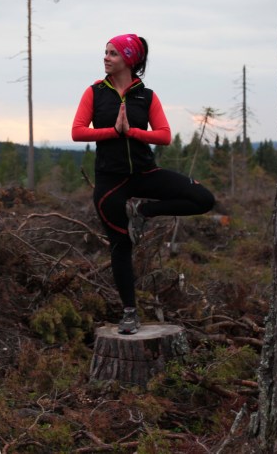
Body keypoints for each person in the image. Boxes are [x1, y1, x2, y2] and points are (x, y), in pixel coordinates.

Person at [71, 34, 216, 334]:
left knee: (203, 198)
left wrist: (132, 132)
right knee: (120, 246)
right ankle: (129, 313)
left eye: (113, 53)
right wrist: (113, 131)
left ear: (128, 59)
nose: (106, 57)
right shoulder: (94, 92)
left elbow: (164, 135)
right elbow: (77, 132)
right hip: (111, 181)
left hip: (146, 173)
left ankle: (143, 211)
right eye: (105, 52)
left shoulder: (146, 96)